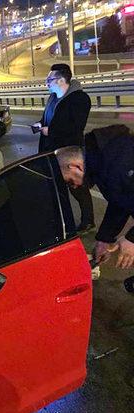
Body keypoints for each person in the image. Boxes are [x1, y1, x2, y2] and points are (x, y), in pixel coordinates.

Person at [56, 125, 134, 269]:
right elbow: (120, 202)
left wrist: (131, 239)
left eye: (70, 181)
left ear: (75, 166)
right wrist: (104, 239)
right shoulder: (103, 162)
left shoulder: (120, 161)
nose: (73, 187)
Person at [33, 63, 94, 234]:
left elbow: (76, 127)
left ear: (61, 80)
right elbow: (47, 119)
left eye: (49, 79)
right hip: (50, 151)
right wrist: (40, 124)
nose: (47, 83)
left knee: (77, 188)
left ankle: (88, 221)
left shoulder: (80, 99)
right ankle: (64, 223)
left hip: (70, 152)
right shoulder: (53, 98)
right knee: (56, 190)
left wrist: (50, 130)